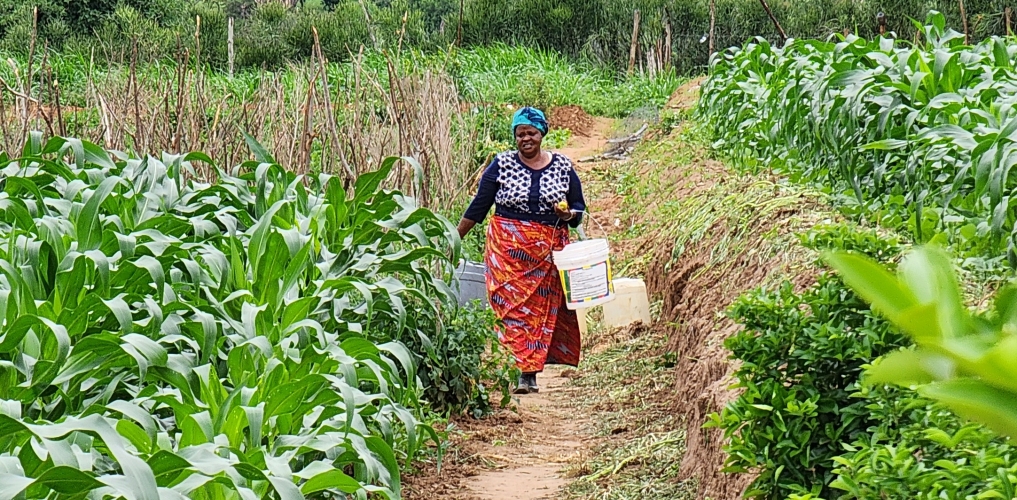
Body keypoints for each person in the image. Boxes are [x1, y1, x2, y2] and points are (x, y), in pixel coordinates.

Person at [457, 107, 586, 394]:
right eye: (520, 134)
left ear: (542, 134)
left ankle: (529, 373)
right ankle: (517, 369)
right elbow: (479, 206)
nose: (525, 139)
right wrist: (455, 239)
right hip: (507, 254)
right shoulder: (501, 165)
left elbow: (578, 209)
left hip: (546, 256)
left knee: (538, 312)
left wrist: (567, 215)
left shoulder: (562, 167)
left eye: (531, 133)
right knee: (510, 309)